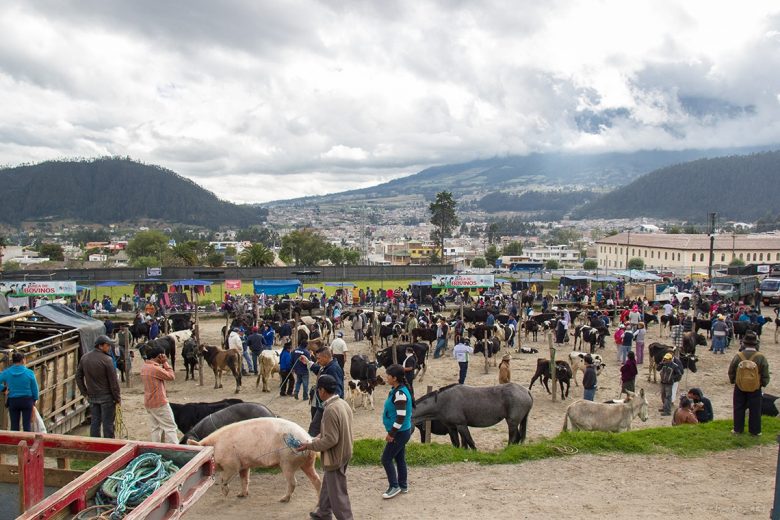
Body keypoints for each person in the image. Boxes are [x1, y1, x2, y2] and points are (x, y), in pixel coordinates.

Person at [297, 374, 354, 520]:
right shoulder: (342, 403)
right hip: (345, 451)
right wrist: (318, 437)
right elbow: (334, 430)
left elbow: (331, 440)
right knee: (329, 484)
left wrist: (310, 446)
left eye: (318, 389)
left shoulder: (330, 410)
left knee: (338, 493)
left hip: (335, 456)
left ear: (322, 391)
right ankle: (323, 512)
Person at [76, 335, 121, 438]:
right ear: (100, 346)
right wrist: (118, 398)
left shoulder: (85, 358)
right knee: (108, 424)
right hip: (107, 397)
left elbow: (78, 377)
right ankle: (109, 446)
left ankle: (95, 445)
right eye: (107, 345)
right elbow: (114, 383)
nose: (109, 347)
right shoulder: (107, 360)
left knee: (95, 423)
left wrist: (85, 393)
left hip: (92, 396)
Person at [381, 364, 413, 499]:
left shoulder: (400, 394)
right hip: (402, 431)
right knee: (399, 458)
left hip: (400, 432)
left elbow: (401, 417)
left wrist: (391, 434)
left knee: (386, 458)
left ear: (394, 378)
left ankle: (394, 486)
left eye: (388, 375)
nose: (386, 377)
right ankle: (403, 485)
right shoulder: (397, 390)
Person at [728, 331, 769, 436]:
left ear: (744, 343)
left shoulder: (739, 355)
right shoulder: (761, 357)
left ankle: (738, 429)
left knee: (738, 407)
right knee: (755, 409)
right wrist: (762, 383)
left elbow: (731, 370)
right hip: (755, 386)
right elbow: (765, 372)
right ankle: (755, 431)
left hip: (740, 385)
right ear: (755, 344)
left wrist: (734, 381)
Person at [139, 345, 178, 443]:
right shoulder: (155, 369)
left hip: (149, 402)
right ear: (159, 356)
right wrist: (165, 362)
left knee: (155, 428)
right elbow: (171, 376)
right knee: (170, 427)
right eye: (163, 355)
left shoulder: (144, 367)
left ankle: (156, 448)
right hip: (160, 403)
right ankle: (175, 450)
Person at [306, 347, 345, 437]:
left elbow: (338, 391)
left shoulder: (333, 369)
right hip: (321, 404)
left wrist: (330, 407)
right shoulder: (328, 366)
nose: (318, 361)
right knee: (317, 428)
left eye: (319, 358)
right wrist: (308, 363)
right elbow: (321, 371)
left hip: (325, 406)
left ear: (326, 357)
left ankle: (313, 448)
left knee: (315, 430)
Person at [0, 352, 39, 431]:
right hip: (27, 401)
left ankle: (15, 442)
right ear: (23, 360)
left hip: (13, 401)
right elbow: (35, 388)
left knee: (14, 426)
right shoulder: (29, 373)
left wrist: (3, 389)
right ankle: (27, 442)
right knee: (26, 425)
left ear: (13, 361)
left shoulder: (7, 372)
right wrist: (35, 399)